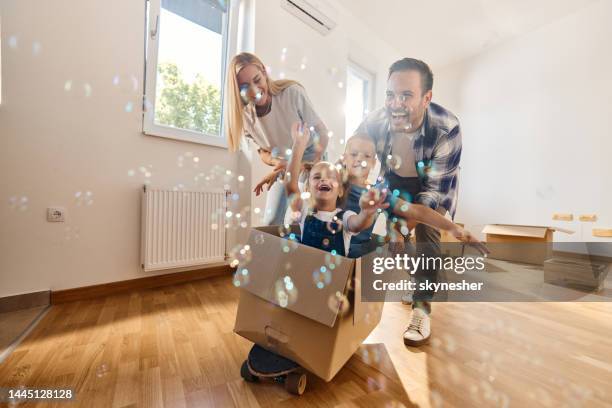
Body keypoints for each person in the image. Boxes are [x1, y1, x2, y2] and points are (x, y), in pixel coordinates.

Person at [356, 57, 463, 346]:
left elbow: (429, 197)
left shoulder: (447, 127)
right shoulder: (377, 120)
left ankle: (421, 308)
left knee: (426, 232)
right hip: (396, 182)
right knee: (395, 245)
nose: (395, 104)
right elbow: (354, 152)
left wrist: (405, 226)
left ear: (426, 98)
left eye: (406, 95)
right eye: (391, 95)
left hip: (433, 187)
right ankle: (425, 281)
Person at [339, 134, 487, 260]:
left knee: (395, 253)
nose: (359, 159)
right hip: (330, 250)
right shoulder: (332, 183)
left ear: (373, 163)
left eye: (366, 156)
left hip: (358, 255)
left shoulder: (378, 193)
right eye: (353, 154)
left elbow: (417, 212)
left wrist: (455, 229)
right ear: (344, 158)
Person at [225, 52, 329, 225]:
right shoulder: (245, 117)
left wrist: (304, 165)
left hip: (312, 155)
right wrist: (277, 163)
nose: (254, 91)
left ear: (264, 73)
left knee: (303, 218)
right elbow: (263, 151)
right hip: (285, 163)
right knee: (272, 221)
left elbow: (323, 133)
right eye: (244, 87)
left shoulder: (292, 93)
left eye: (257, 80)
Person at [285, 123, 387, 256]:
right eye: (317, 177)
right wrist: (298, 145)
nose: (324, 180)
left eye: (331, 178)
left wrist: (366, 213)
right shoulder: (304, 210)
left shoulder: (345, 216)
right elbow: (290, 186)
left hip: (338, 273)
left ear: (340, 190)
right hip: (307, 268)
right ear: (308, 188)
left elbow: (358, 224)